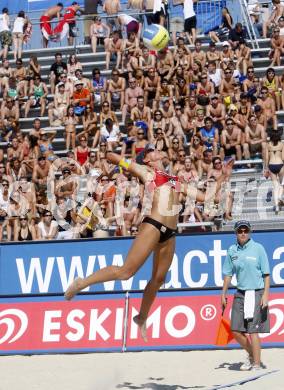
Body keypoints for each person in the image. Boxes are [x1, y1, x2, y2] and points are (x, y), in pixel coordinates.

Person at [64, 143, 214, 340]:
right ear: (147, 158)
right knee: (126, 272)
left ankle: (141, 317)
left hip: (169, 232)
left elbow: (203, 197)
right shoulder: (146, 171)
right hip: (153, 225)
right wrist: (114, 157)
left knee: (158, 280)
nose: (158, 150)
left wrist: (220, 183)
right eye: (153, 150)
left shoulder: (174, 180)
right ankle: (82, 283)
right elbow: (114, 158)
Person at [221, 220, 270, 371]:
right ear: (235, 233)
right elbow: (228, 274)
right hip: (240, 293)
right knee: (235, 331)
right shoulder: (232, 251)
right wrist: (223, 294)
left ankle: (256, 364)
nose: (243, 233)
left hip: (256, 292)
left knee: (253, 331)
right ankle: (252, 355)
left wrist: (266, 295)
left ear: (249, 232)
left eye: (245, 231)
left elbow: (266, 274)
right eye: (240, 231)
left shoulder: (258, 248)